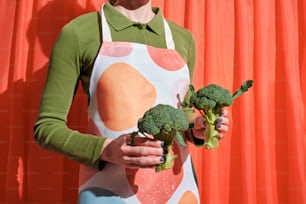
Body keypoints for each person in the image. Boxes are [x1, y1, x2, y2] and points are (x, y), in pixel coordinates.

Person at [34, 0, 229, 203]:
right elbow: (47, 128)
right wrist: (106, 150)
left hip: (179, 191)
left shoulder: (183, 39)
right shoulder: (79, 33)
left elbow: (183, 119)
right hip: (108, 192)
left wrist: (197, 129)